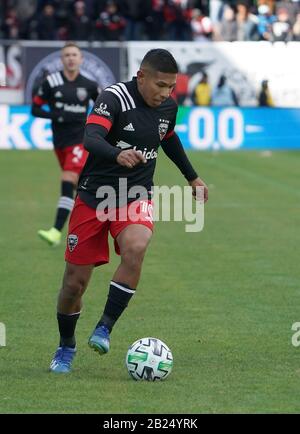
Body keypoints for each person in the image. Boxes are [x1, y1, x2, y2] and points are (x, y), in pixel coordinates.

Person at [48, 48, 208, 374]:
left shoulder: (167, 107)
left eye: (171, 87)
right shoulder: (114, 97)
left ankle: (104, 327)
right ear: (142, 77)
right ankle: (66, 345)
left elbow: (169, 138)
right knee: (73, 285)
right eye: (160, 85)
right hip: (94, 196)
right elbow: (90, 138)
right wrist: (116, 154)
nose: (165, 93)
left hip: (135, 194)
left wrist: (192, 177)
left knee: (137, 245)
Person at [31, 42, 99, 247]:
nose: (70, 58)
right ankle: (98, 218)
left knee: (68, 178)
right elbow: (35, 109)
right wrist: (57, 115)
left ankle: (55, 231)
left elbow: (103, 107)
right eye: (67, 55)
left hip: (80, 140)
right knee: (81, 187)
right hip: (60, 142)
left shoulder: (89, 85)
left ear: (81, 59)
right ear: (62, 59)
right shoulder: (50, 82)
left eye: (74, 55)